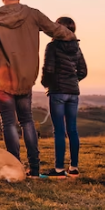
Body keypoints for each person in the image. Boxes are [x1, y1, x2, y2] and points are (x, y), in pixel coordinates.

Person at [0, 0, 76, 177]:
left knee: (8, 123)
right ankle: (34, 169)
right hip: (26, 78)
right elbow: (56, 29)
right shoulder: (33, 15)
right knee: (26, 121)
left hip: (2, 80)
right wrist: (71, 37)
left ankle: (15, 167)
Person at [40, 17, 87, 178]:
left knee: (59, 130)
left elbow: (49, 69)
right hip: (73, 92)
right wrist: (72, 82)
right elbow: (83, 71)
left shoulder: (52, 46)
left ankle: (59, 169)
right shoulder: (77, 48)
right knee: (72, 130)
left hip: (58, 91)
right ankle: (74, 168)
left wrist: (46, 84)